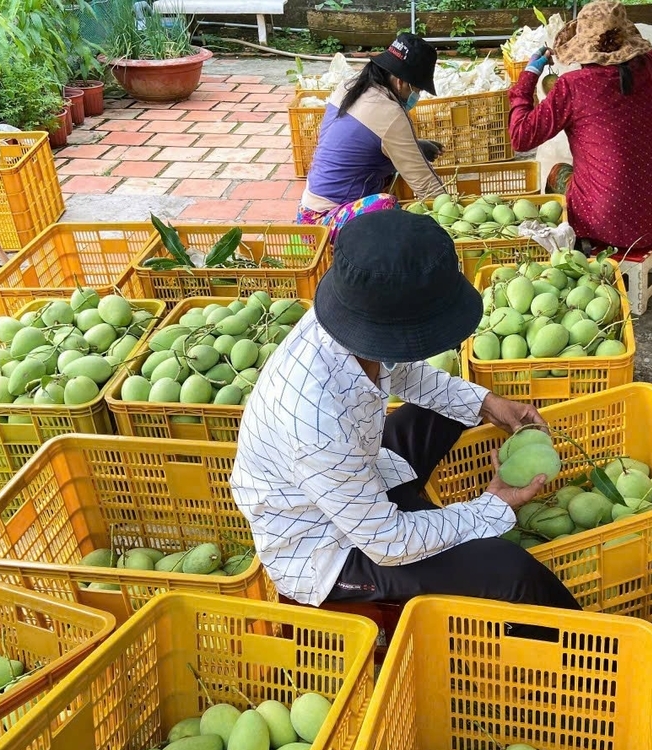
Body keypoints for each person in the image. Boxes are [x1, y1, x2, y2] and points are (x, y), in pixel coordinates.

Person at [230, 209, 581, 611]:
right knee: (512, 572)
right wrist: (493, 506)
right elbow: (388, 541)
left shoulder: (346, 316)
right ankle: (594, 664)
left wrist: (487, 405)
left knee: (450, 408)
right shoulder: (316, 421)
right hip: (330, 549)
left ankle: (440, 514)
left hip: (358, 477)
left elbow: (400, 372)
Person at [508, 0, 652, 255]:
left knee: (557, 171)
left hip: (606, 222)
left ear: (583, 47)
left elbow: (520, 137)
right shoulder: (646, 68)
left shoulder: (573, 86)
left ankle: (574, 247)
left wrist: (529, 75)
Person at [295, 34, 450, 242]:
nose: (416, 96)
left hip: (306, 212)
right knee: (386, 204)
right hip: (324, 223)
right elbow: (424, 184)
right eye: (417, 89)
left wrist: (416, 146)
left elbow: (357, 142)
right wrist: (453, 216)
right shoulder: (390, 112)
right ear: (400, 81)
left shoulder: (351, 86)